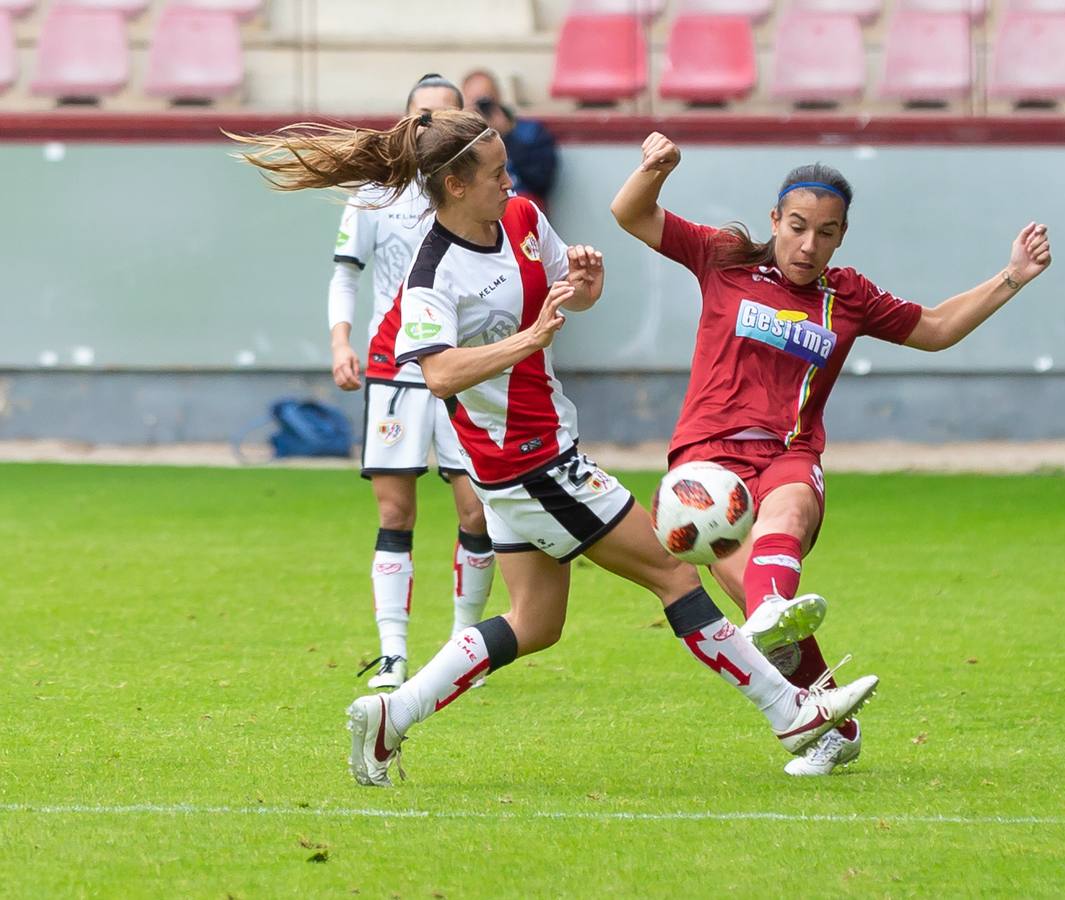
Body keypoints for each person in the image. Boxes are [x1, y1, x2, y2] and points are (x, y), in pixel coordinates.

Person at [233, 110, 878, 787]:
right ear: (455, 185)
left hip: (526, 459)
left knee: (535, 622)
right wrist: (528, 340)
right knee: (677, 574)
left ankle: (389, 718)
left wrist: (585, 289)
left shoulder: (519, 217)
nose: (510, 180)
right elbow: (439, 372)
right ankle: (794, 713)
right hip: (531, 463)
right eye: (495, 172)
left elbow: (565, 292)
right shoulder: (432, 277)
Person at [611, 133, 1052, 775]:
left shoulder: (848, 295)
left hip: (790, 452)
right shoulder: (724, 258)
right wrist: (654, 169)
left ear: (842, 236)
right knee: (775, 629)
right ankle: (832, 729)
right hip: (707, 466)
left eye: (825, 232)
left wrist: (1012, 275)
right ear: (774, 221)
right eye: (796, 227)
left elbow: (933, 330)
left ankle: (769, 614)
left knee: (785, 520)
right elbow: (630, 213)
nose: (808, 244)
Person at [326, 74, 495, 691]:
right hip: (393, 367)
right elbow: (346, 274)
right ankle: (393, 652)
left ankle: (463, 645)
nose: (429, 126)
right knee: (395, 510)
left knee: (476, 512)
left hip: (458, 368)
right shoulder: (375, 193)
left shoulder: (473, 192)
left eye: (443, 117)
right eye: (421, 116)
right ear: (403, 122)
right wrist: (341, 340)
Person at [461, 69, 559, 211]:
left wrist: (507, 135)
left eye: (487, 100)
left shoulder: (531, 132)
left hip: (522, 208)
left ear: (498, 96)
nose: (484, 108)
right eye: (477, 102)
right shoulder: (460, 139)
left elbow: (541, 182)